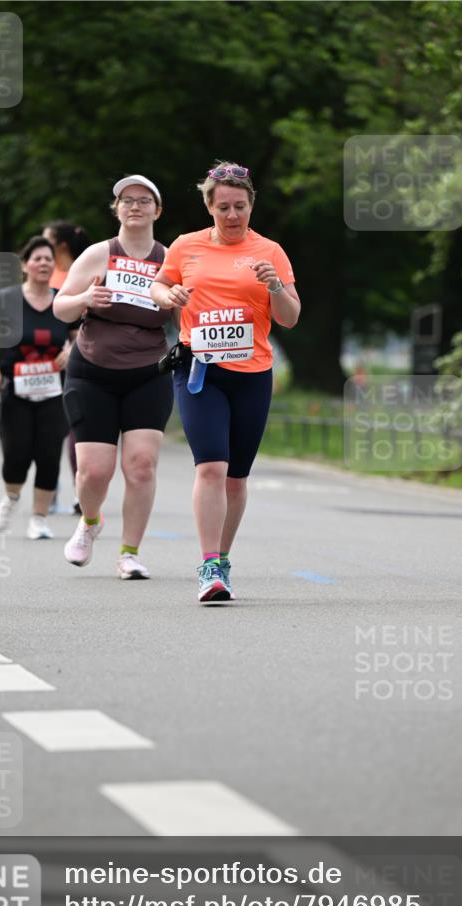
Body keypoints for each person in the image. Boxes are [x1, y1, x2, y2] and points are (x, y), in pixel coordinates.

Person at [150, 162, 300, 602]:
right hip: (201, 372)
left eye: (240, 206)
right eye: (223, 207)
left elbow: (289, 318)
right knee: (211, 466)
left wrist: (275, 287)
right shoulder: (185, 246)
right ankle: (209, 565)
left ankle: (224, 560)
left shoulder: (270, 251)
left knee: (236, 477)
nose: (232, 215)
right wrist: (169, 295)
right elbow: (158, 287)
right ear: (209, 206)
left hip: (253, 374)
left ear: (251, 204)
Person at [53, 174, 174, 580]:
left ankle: (129, 553)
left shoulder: (171, 259)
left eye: (143, 200)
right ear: (116, 209)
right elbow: (61, 308)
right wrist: (86, 298)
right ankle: (89, 522)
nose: (135, 206)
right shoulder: (98, 254)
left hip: (149, 371)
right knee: (93, 472)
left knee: (140, 465)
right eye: (126, 200)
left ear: (157, 210)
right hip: (92, 372)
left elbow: (192, 310)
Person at [0, 235, 75, 540]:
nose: (43, 263)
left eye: (48, 259)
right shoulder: (7, 299)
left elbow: (82, 335)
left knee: (48, 452)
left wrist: (72, 351)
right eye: (37, 258)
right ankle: (11, 498)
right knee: (16, 453)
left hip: (54, 390)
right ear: (24, 265)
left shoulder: (63, 299)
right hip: (14, 388)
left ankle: (39, 518)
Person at [41, 220, 91, 513]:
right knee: (48, 429)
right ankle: (48, 490)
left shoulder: (78, 274)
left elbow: (82, 320)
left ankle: (78, 491)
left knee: (76, 427)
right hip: (41, 365)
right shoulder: (43, 276)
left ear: (59, 245)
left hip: (77, 359)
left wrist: (72, 347)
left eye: (45, 239)